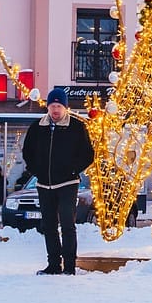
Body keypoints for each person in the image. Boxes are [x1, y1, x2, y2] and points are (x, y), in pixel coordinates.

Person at [19, 87, 94, 275]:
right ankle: (53, 264)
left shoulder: (76, 127)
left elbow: (88, 155)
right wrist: (37, 171)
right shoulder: (37, 128)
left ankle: (69, 266)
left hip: (68, 183)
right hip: (44, 184)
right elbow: (28, 152)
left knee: (68, 224)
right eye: (52, 105)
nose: (55, 110)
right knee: (49, 225)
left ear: (65, 108)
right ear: (48, 107)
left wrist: (73, 170)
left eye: (59, 106)